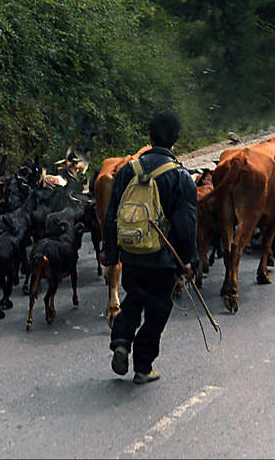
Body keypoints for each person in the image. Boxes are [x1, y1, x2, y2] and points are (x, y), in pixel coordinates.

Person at [101, 111, 198, 384]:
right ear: (176, 139)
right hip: (163, 260)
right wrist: (189, 263)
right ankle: (143, 366)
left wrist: (110, 252)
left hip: (132, 254)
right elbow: (187, 226)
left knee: (133, 298)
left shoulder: (128, 171)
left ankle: (121, 341)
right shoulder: (181, 177)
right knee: (158, 311)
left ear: (150, 137)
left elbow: (112, 215)